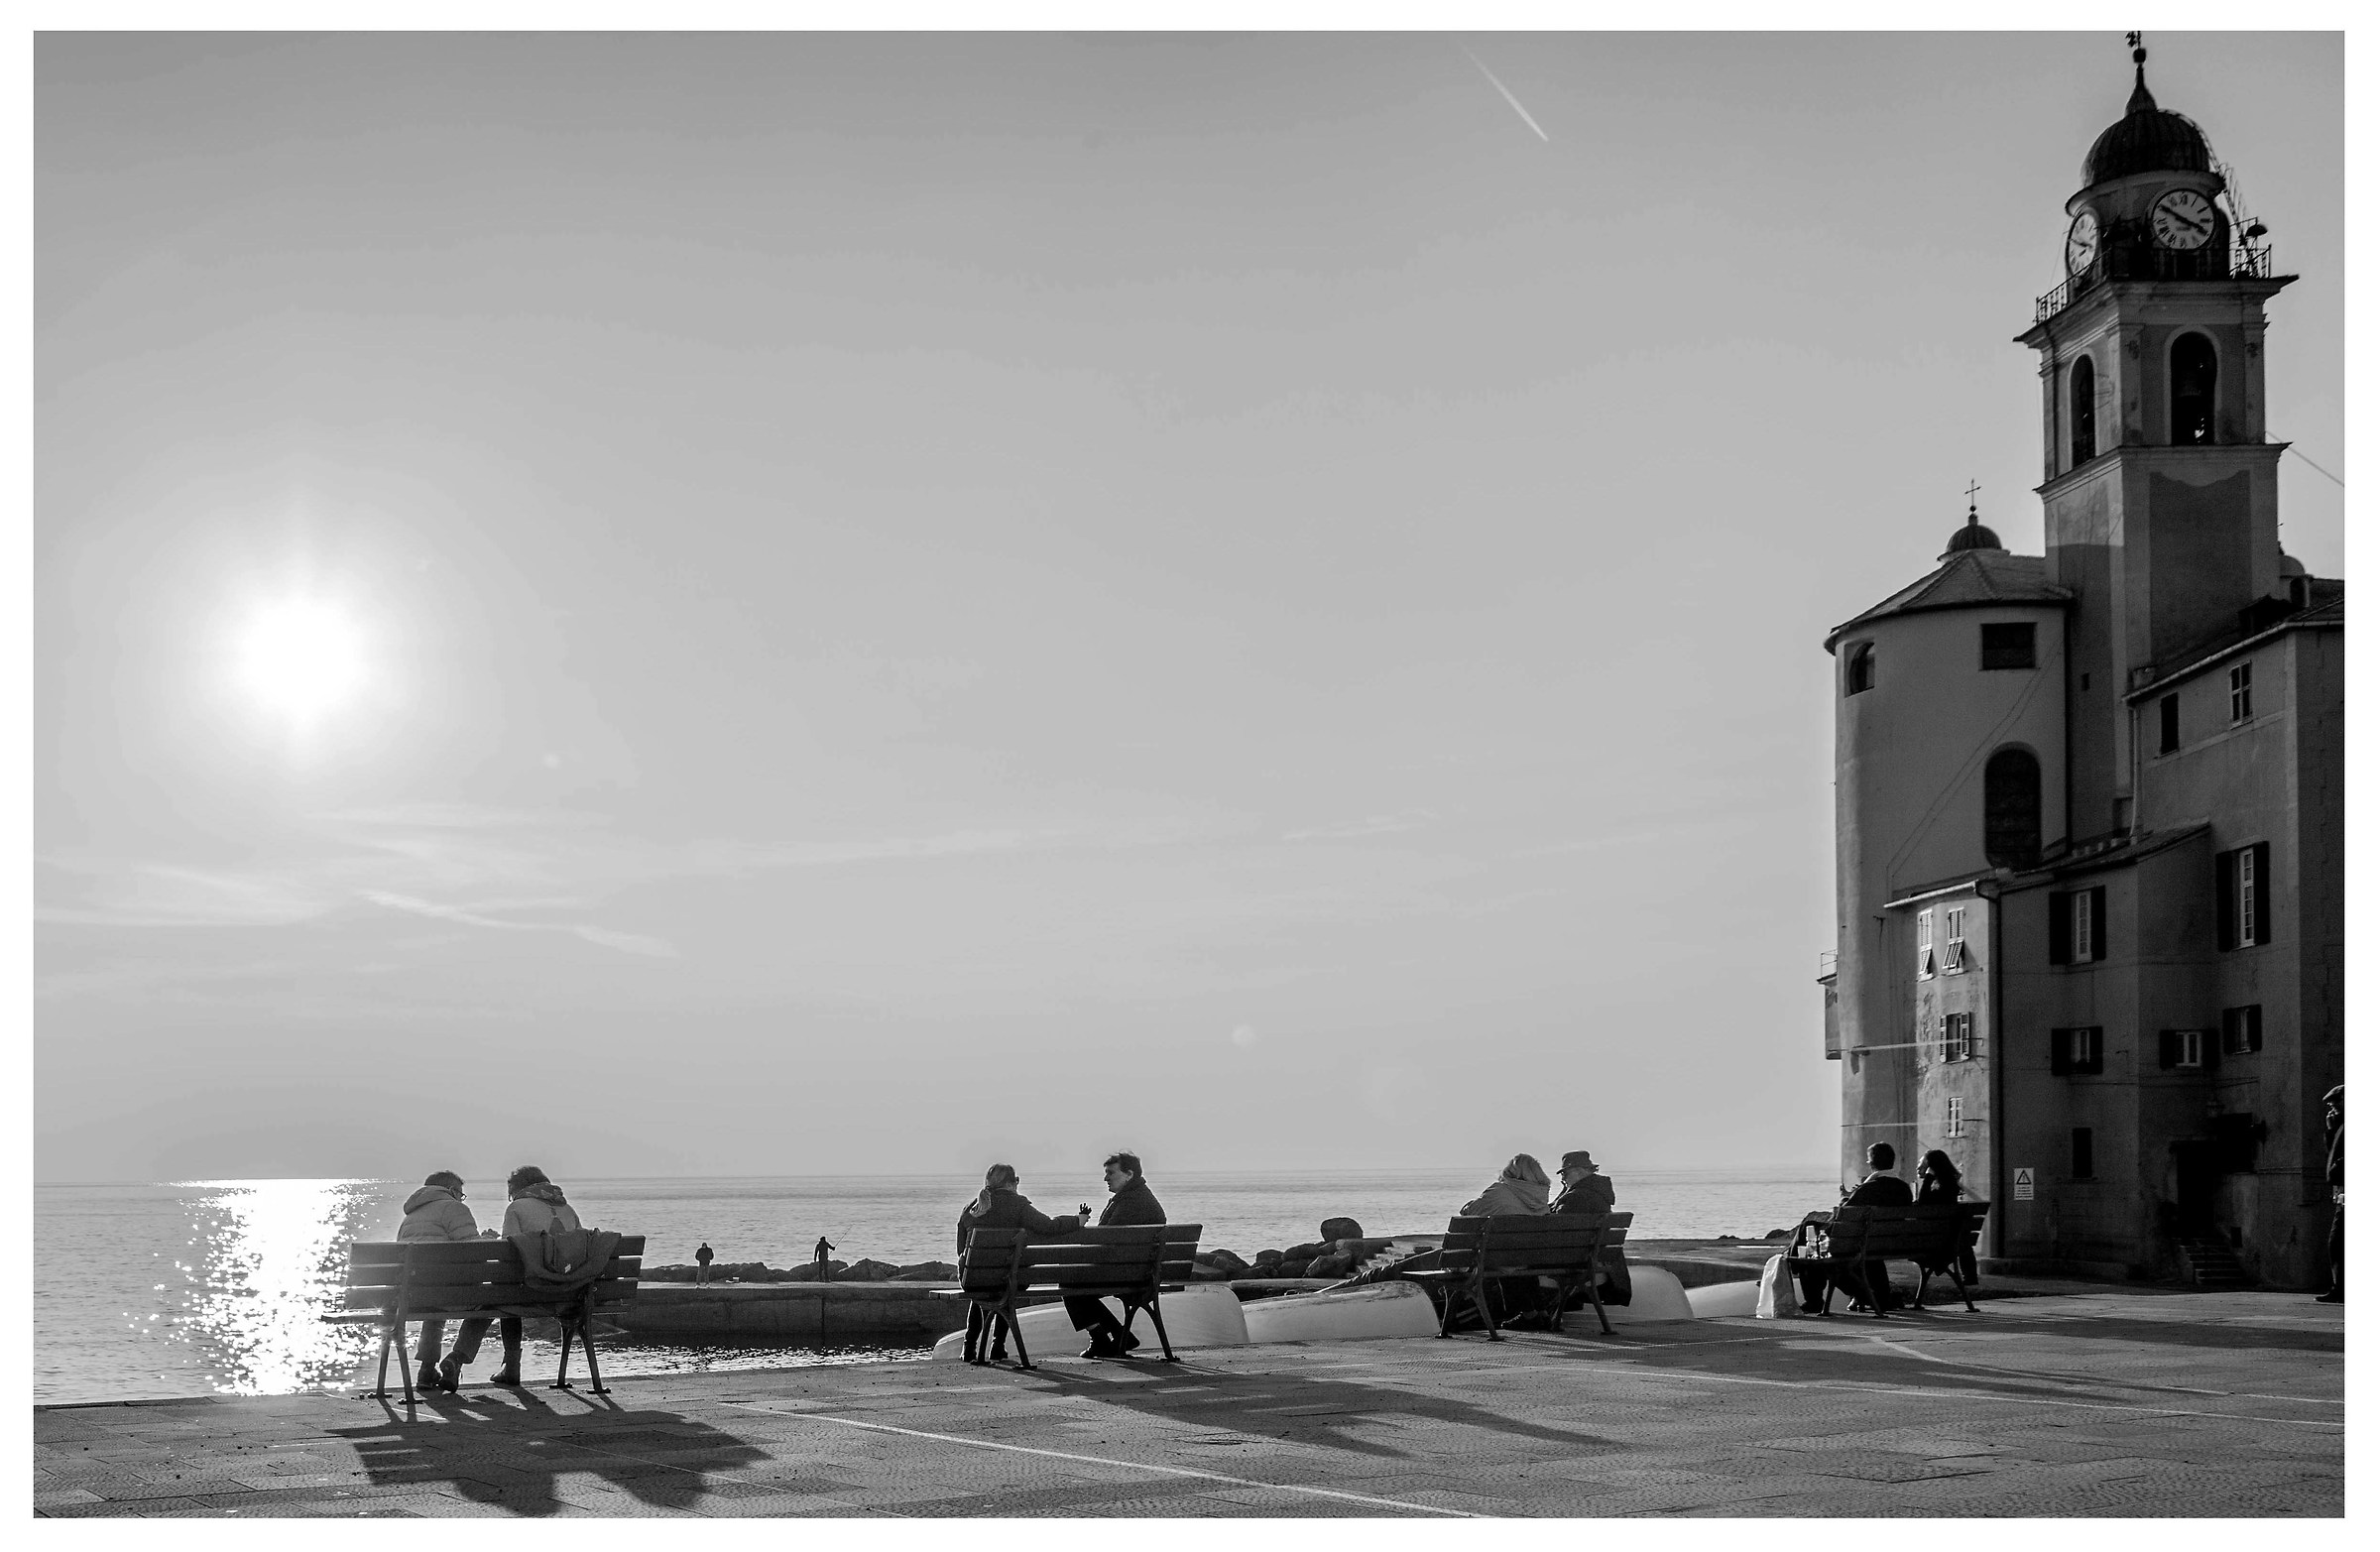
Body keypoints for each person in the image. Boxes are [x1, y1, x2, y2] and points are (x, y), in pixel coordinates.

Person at [955, 1164, 1084, 1364]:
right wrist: (1077, 1220)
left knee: (981, 1288)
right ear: (1012, 1183)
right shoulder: (1019, 1206)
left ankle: (969, 1346)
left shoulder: (971, 1208)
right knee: (1007, 1284)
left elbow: (960, 1250)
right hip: (1011, 1280)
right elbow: (1048, 1226)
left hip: (973, 1280)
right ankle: (998, 1345)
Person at [398, 1171, 499, 1393]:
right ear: (452, 1191)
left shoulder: (410, 1216)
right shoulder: (454, 1208)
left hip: (417, 1297)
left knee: (436, 1301)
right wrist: (490, 1239)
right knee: (492, 1302)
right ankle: (456, 1358)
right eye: (461, 1194)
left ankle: (426, 1370)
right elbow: (475, 1252)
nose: (461, 1199)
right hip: (451, 1293)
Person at [1064, 1152, 1165, 1359]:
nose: (1106, 1178)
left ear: (1129, 1174)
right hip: (1141, 1272)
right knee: (1074, 1285)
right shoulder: (1140, 1197)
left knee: (1069, 1285)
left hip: (1127, 1274)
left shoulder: (1129, 1202)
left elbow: (1106, 1239)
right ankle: (1117, 1335)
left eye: (1111, 1173)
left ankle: (1106, 1337)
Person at [491, 1165, 583, 1384]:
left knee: (507, 1302)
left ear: (518, 1188)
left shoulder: (516, 1208)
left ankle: (511, 1366)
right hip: (570, 1292)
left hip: (531, 1290)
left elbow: (508, 1252)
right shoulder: (568, 1209)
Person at [1798, 1142, 1914, 1314]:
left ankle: (1807, 1290)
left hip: (1859, 1243)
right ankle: (1875, 1296)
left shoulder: (1868, 1188)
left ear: (1871, 1163)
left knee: (1807, 1228)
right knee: (1855, 1253)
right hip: (1888, 1243)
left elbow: (1839, 1222)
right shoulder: (1905, 1189)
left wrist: (1845, 1200)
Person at [1548, 1150, 1631, 1311]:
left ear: (1579, 1172)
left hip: (1577, 1262)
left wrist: (1563, 1194)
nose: (1562, 1178)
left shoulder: (1575, 1198)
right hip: (1596, 1260)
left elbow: (1553, 1227)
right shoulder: (1599, 1194)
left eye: (1565, 1173)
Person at [1914, 1148, 1981, 1288]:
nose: (1918, 1167)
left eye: (1922, 1164)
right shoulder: (1950, 1188)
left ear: (1931, 1168)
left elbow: (1923, 1202)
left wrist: (1928, 1178)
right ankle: (1970, 1275)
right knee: (1961, 1236)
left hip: (1935, 1246)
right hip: (1951, 1243)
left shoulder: (1939, 1189)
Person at [2318, 1087, 2343, 1303]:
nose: (2332, 1111)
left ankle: (2341, 1288)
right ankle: (2340, 1287)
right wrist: (2330, 1130)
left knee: (2337, 1242)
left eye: (2335, 1106)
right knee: (2337, 1243)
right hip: (2343, 1195)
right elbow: (2333, 1152)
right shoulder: (2341, 1127)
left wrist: (2336, 1169)